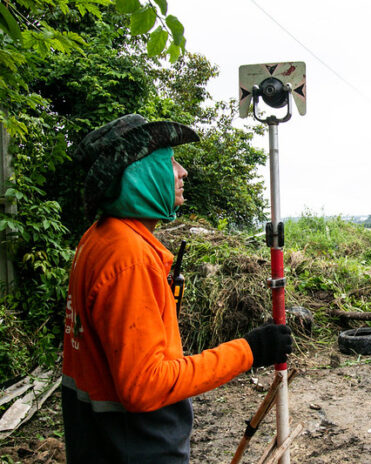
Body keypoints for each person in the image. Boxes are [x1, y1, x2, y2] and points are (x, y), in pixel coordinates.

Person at [61, 114, 293, 464]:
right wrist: (250, 350)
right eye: (169, 162)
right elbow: (146, 385)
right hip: (137, 445)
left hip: (102, 442)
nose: (182, 171)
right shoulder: (129, 258)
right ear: (139, 175)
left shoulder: (98, 239)